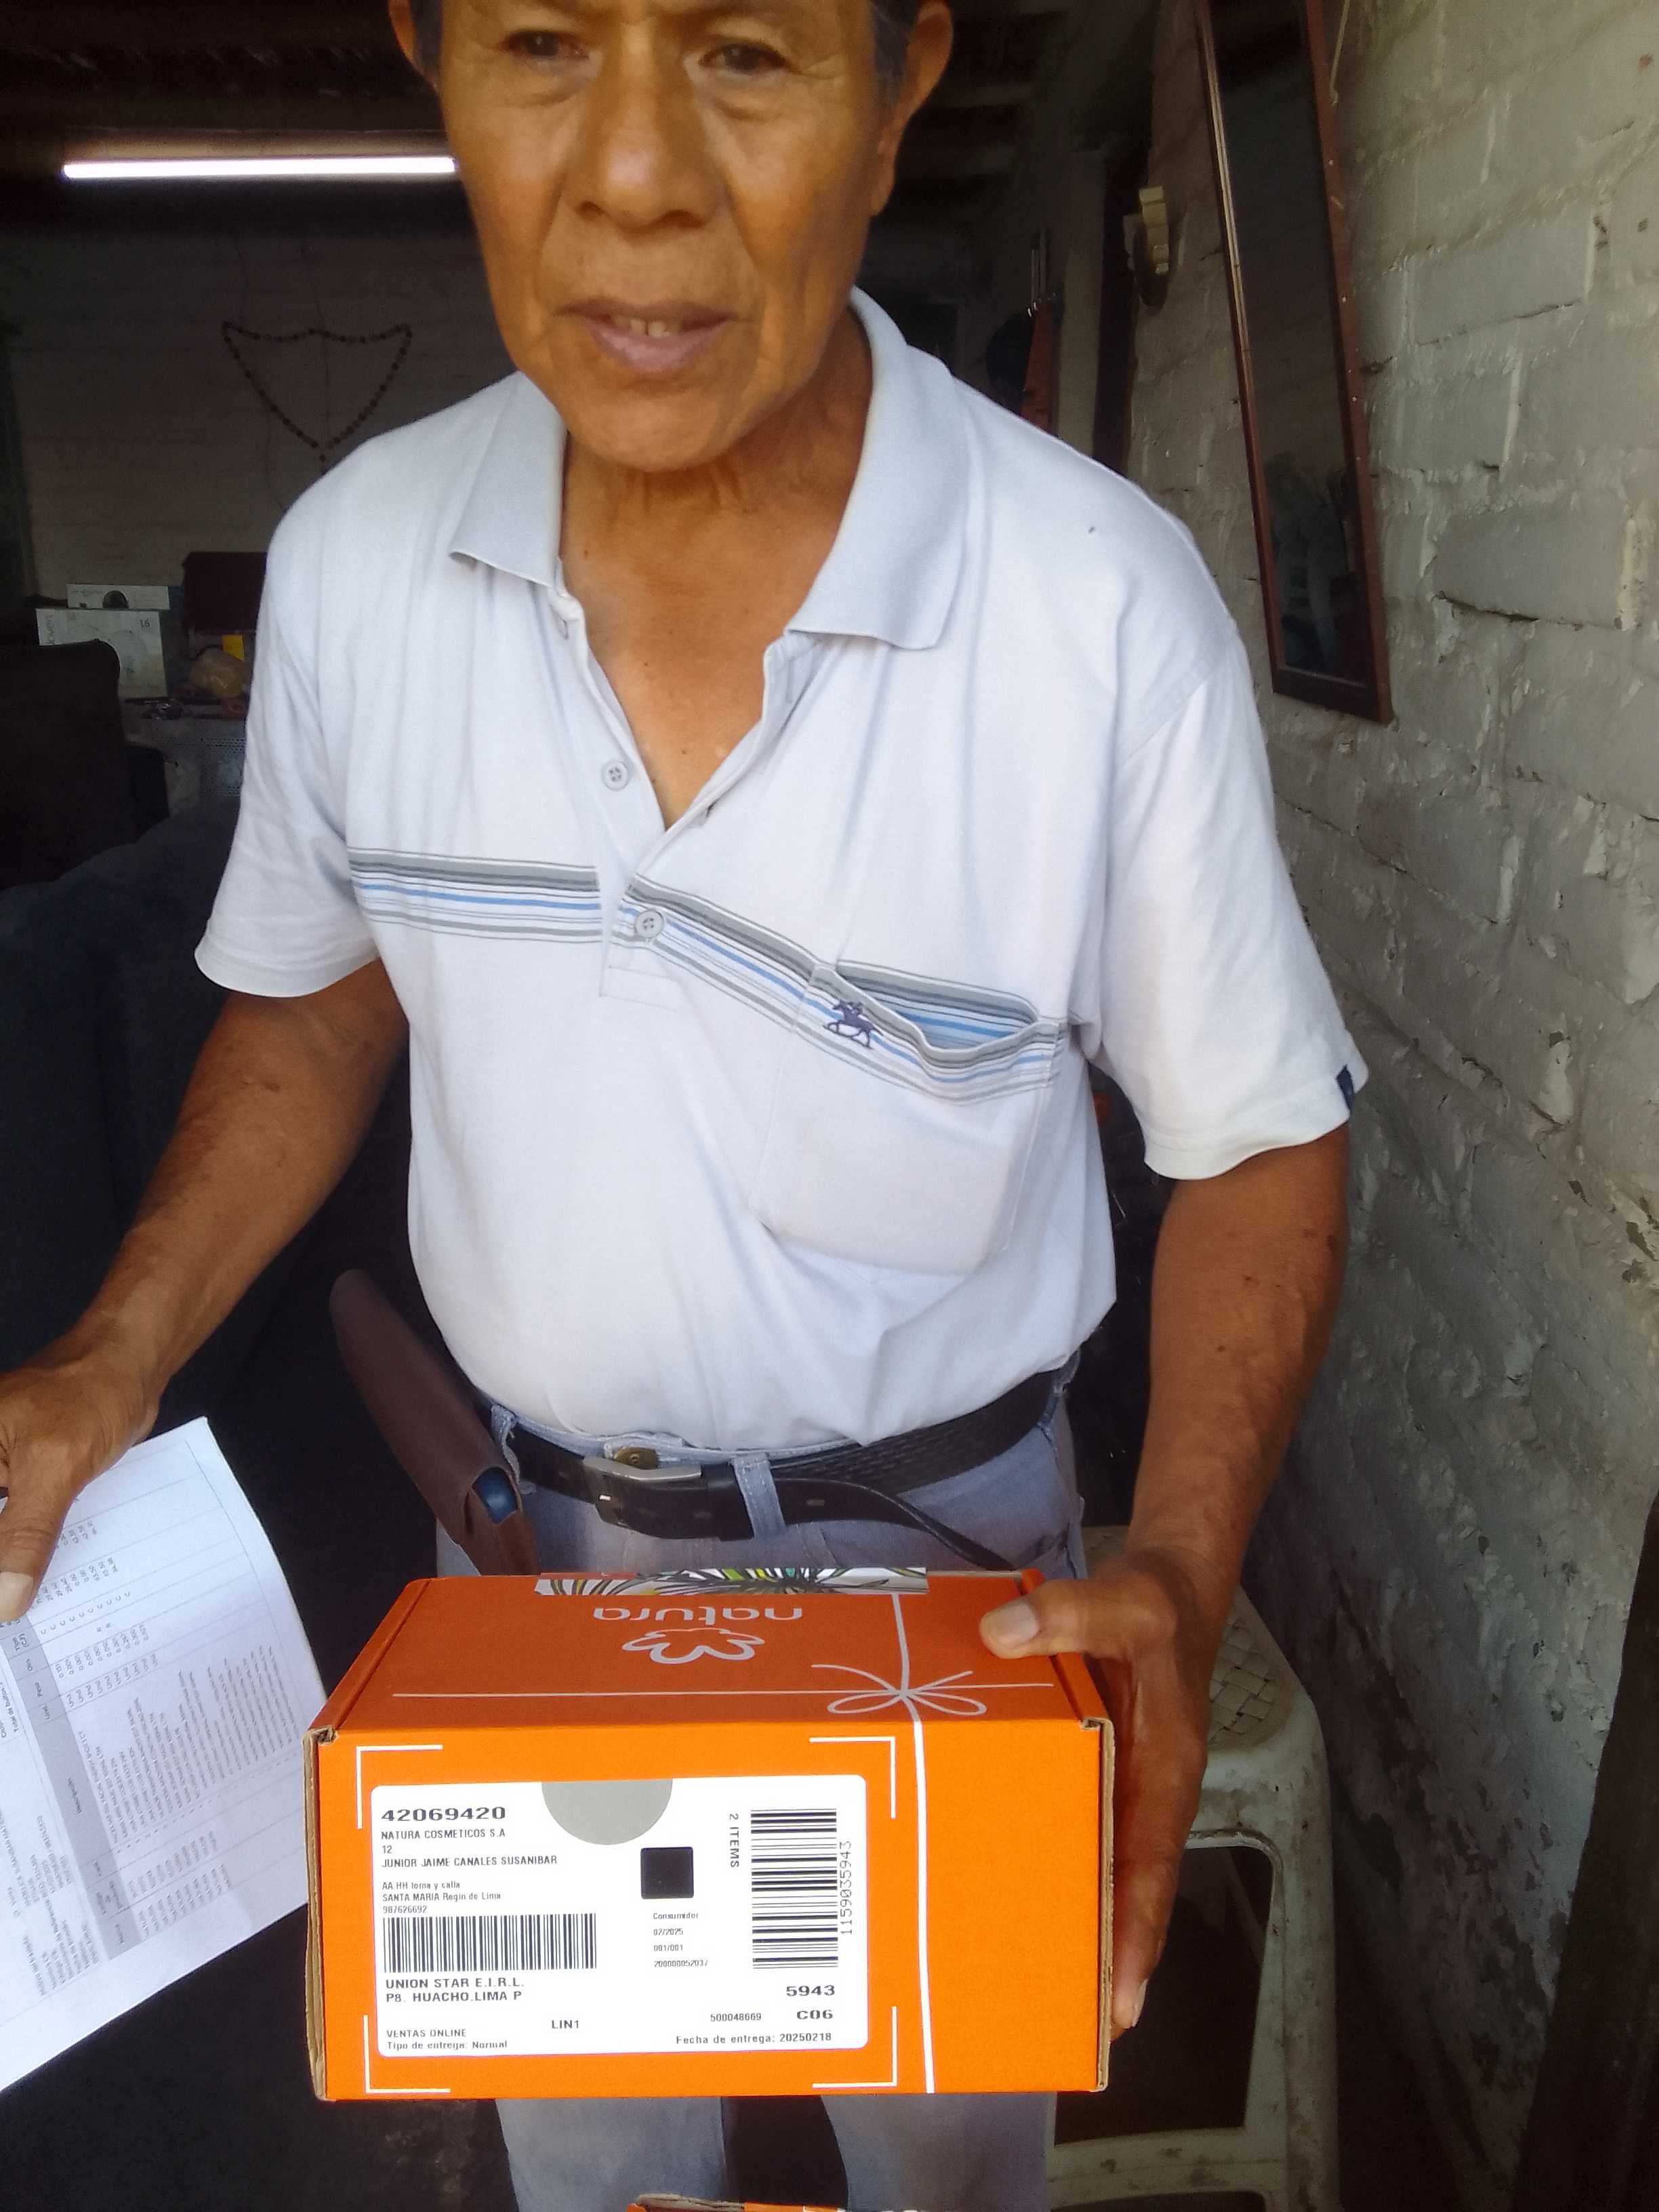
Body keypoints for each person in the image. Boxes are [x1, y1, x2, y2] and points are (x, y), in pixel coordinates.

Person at [0, 1, 1360, 2205]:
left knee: (944, 2166)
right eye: (545, 43)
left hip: (951, 1591)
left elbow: (1261, 1140)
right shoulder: (358, 564)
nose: (633, 176)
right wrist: (111, 1355)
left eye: (743, 52)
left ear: (900, 89)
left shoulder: (1094, 604)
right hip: (533, 1569)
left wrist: (1187, 1570)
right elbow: (322, 999)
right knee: (596, 2163)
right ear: (431, 56)